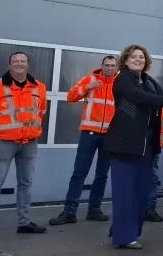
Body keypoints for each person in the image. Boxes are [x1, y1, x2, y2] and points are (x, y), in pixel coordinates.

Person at [103, 44, 163, 249]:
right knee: (125, 193)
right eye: (133, 57)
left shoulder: (148, 81)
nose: (138, 60)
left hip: (146, 146)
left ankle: (124, 230)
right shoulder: (123, 78)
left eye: (141, 57)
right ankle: (124, 237)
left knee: (141, 193)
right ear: (125, 60)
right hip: (124, 145)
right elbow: (139, 97)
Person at [0, 52, 49, 239]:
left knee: (26, 184)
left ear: (28, 64)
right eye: (15, 61)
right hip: (4, 143)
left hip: (29, 143)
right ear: (9, 65)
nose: (19, 64)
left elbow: (40, 112)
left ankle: (24, 222)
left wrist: (29, 131)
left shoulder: (39, 87)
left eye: (23, 61)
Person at [49, 55, 119, 225]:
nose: (110, 68)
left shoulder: (120, 83)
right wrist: (87, 87)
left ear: (117, 67)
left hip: (110, 135)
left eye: (113, 66)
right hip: (89, 133)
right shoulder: (91, 79)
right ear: (101, 65)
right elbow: (71, 97)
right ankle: (69, 211)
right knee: (79, 173)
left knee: (102, 175)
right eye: (107, 65)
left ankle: (94, 209)